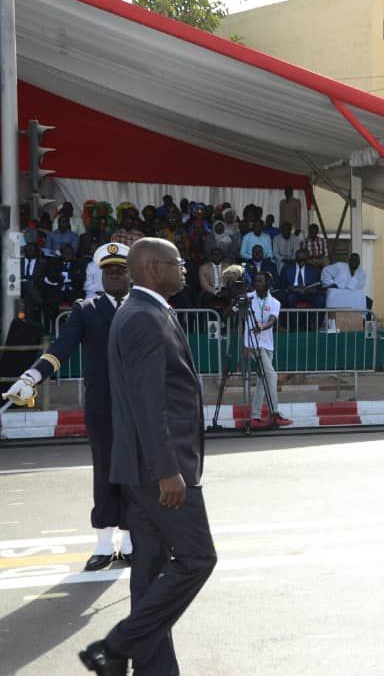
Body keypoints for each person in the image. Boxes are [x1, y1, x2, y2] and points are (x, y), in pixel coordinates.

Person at [78, 238, 217, 676]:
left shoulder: (144, 311)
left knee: (153, 571)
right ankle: (114, 648)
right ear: (155, 267)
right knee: (198, 558)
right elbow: (147, 403)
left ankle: (155, 669)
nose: (184, 270)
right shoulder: (142, 317)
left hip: (141, 470)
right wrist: (168, 471)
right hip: (160, 472)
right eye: (179, 264)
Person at [5, 242, 133, 572]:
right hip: (103, 405)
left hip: (137, 405)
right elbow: (61, 348)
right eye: (110, 271)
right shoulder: (86, 309)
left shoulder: (143, 307)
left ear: (131, 274)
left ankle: (131, 541)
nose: (116, 275)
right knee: (105, 470)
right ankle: (104, 543)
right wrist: (32, 376)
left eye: (121, 270)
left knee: (136, 470)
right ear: (101, 276)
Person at [241, 272, 292, 428]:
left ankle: (255, 415)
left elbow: (272, 321)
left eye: (260, 281)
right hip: (252, 344)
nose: (257, 284)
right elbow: (229, 313)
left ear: (268, 283)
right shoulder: (247, 297)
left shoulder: (275, 302)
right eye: (255, 281)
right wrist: (235, 299)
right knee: (271, 375)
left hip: (268, 344)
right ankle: (274, 412)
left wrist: (261, 327)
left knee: (263, 379)